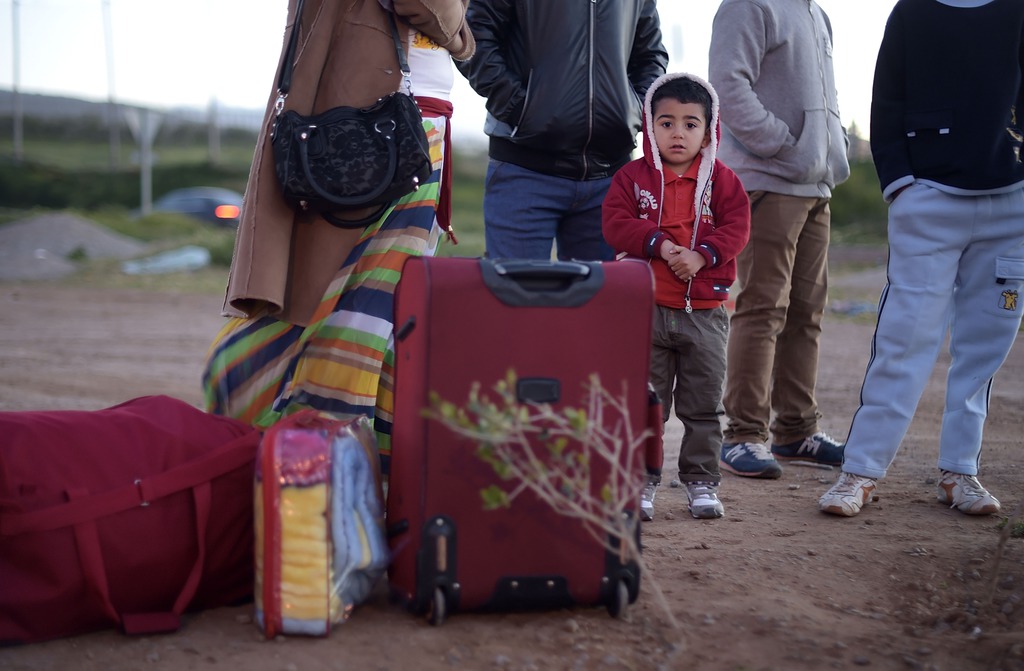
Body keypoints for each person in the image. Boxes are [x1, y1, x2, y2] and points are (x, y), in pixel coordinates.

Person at [202, 0, 474, 473]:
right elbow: (434, 10)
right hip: (398, 132)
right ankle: (331, 473)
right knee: (368, 315)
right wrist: (461, 34)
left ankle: (299, 444)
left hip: (365, 120)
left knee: (350, 302)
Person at [819, 0, 1024, 517]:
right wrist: (899, 183)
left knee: (985, 344)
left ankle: (961, 471)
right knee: (904, 336)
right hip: (927, 198)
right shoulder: (911, 11)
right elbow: (886, 98)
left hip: (1010, 201)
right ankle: (860, 471)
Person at [708, 0, 851, 480]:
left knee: (806, 309)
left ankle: (795, 430)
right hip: (769, 178)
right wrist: (783, 144)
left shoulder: (817, 14)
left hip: (816, 183)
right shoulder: (748, 6)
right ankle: (744, 435)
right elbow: (727, 87)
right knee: (763, 306)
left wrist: (830, 149)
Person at [603, 73, 751, 520]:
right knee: (645, 404)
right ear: (650, 127)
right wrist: (662, 246)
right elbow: (615, 223)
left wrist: (703, 256)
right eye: (666, 123)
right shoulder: (632, 177)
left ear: (709, 130)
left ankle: (701, 483)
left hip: (704, 313)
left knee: (703, 405)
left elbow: (737, 228)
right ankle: (640, 483)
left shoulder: (724, 182)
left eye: (691, 124)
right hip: (644, 309)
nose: (678, 133)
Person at [454, 0, 668, 262]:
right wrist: (520, 108)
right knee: (519, 297)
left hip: (610, 178)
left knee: (603, 301)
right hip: (524, 170)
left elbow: (650, 54)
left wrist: (634, 110)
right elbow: (472, 36)